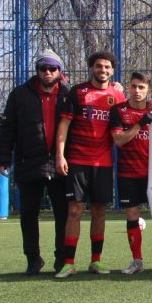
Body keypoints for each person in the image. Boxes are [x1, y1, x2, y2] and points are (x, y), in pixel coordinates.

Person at [0, 49, 70, 275]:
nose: (48, 72)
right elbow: (8, 128)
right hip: (29, 161)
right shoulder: (19, 94)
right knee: (28, 213)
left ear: (60, 71)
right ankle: (33, 258)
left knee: (63, 214)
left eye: (52, 68)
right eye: (43, 68)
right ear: (37, 70)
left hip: (60, 164)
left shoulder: (68, 95)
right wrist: (2, 157)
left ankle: (62, 259)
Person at [54, 50, 126, 278]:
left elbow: (132, 114)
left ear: (112, 71)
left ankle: (96, 260)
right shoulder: (78, 92)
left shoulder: (118, 95)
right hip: (76, 160)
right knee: (74, 210)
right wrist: (60, 155)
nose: (102, 70)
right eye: (98, 66)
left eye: (107, 67)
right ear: (92, 68)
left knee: (99, 211)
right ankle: (68, 262)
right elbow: (64, 124)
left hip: (103, 163)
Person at [110, 72, 152, 274]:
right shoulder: (118, 111)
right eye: (134, 86)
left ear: (148, 90)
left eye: (141, 87)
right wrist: (139, 123)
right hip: (128, 172)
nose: (137, 91)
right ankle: (137, 261)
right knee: (132, 215)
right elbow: (119, 140)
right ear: (128, 88)